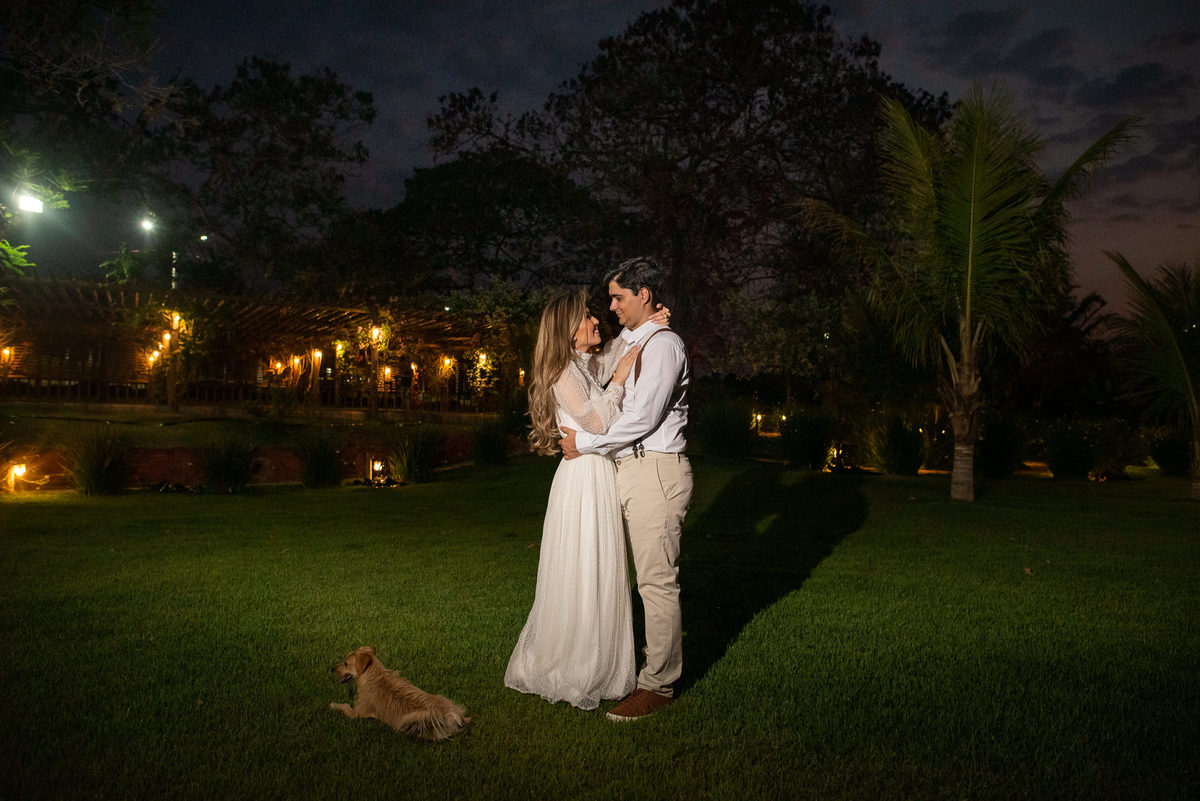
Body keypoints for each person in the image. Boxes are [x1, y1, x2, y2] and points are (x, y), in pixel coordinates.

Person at [504, 291, 669, 710]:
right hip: (583, 480)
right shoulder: (564, 371)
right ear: (568, 331)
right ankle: (578, 664)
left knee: (596, 565)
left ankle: (596, 657)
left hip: (594, 472)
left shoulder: (580, 364)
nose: (597, 320)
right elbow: (597, 421)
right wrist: (618, 383)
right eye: (587, 317)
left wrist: (648, 322)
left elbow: (614, 352)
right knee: (586, 563)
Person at [560, 256, 692, 723]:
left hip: (654, 470)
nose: (611, 307)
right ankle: (613, 666)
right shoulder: (636, 340)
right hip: (627, 469)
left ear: (644, 294)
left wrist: (584, 443)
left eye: (618, 297)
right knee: (624, 577)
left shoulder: (664, 346)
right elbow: (596, 364)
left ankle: (658, 685)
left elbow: (642, 418)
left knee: (656, 582)